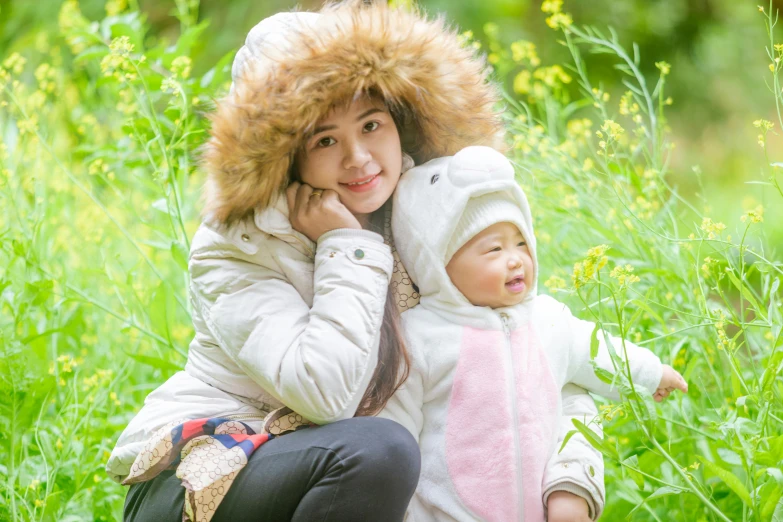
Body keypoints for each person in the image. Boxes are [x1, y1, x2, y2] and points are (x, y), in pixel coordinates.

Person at [105, 1, 522, 521]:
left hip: (337, 477)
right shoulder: (237, 245)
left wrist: (571, 481)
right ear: (286, 157)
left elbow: (517, 346)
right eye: (326, 140)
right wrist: (347, 248)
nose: (359, 158)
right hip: (204, 479)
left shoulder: (430, 216)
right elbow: (324, 397)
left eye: (371, 125)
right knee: (381, 450)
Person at [380, 145, 688, 522]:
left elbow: (598, 352)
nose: (515, 259)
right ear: (438, 266)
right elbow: (394, 429)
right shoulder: (420, 337)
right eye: (492, 249)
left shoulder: (547, 319)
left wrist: (651, 373)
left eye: (521, 243)